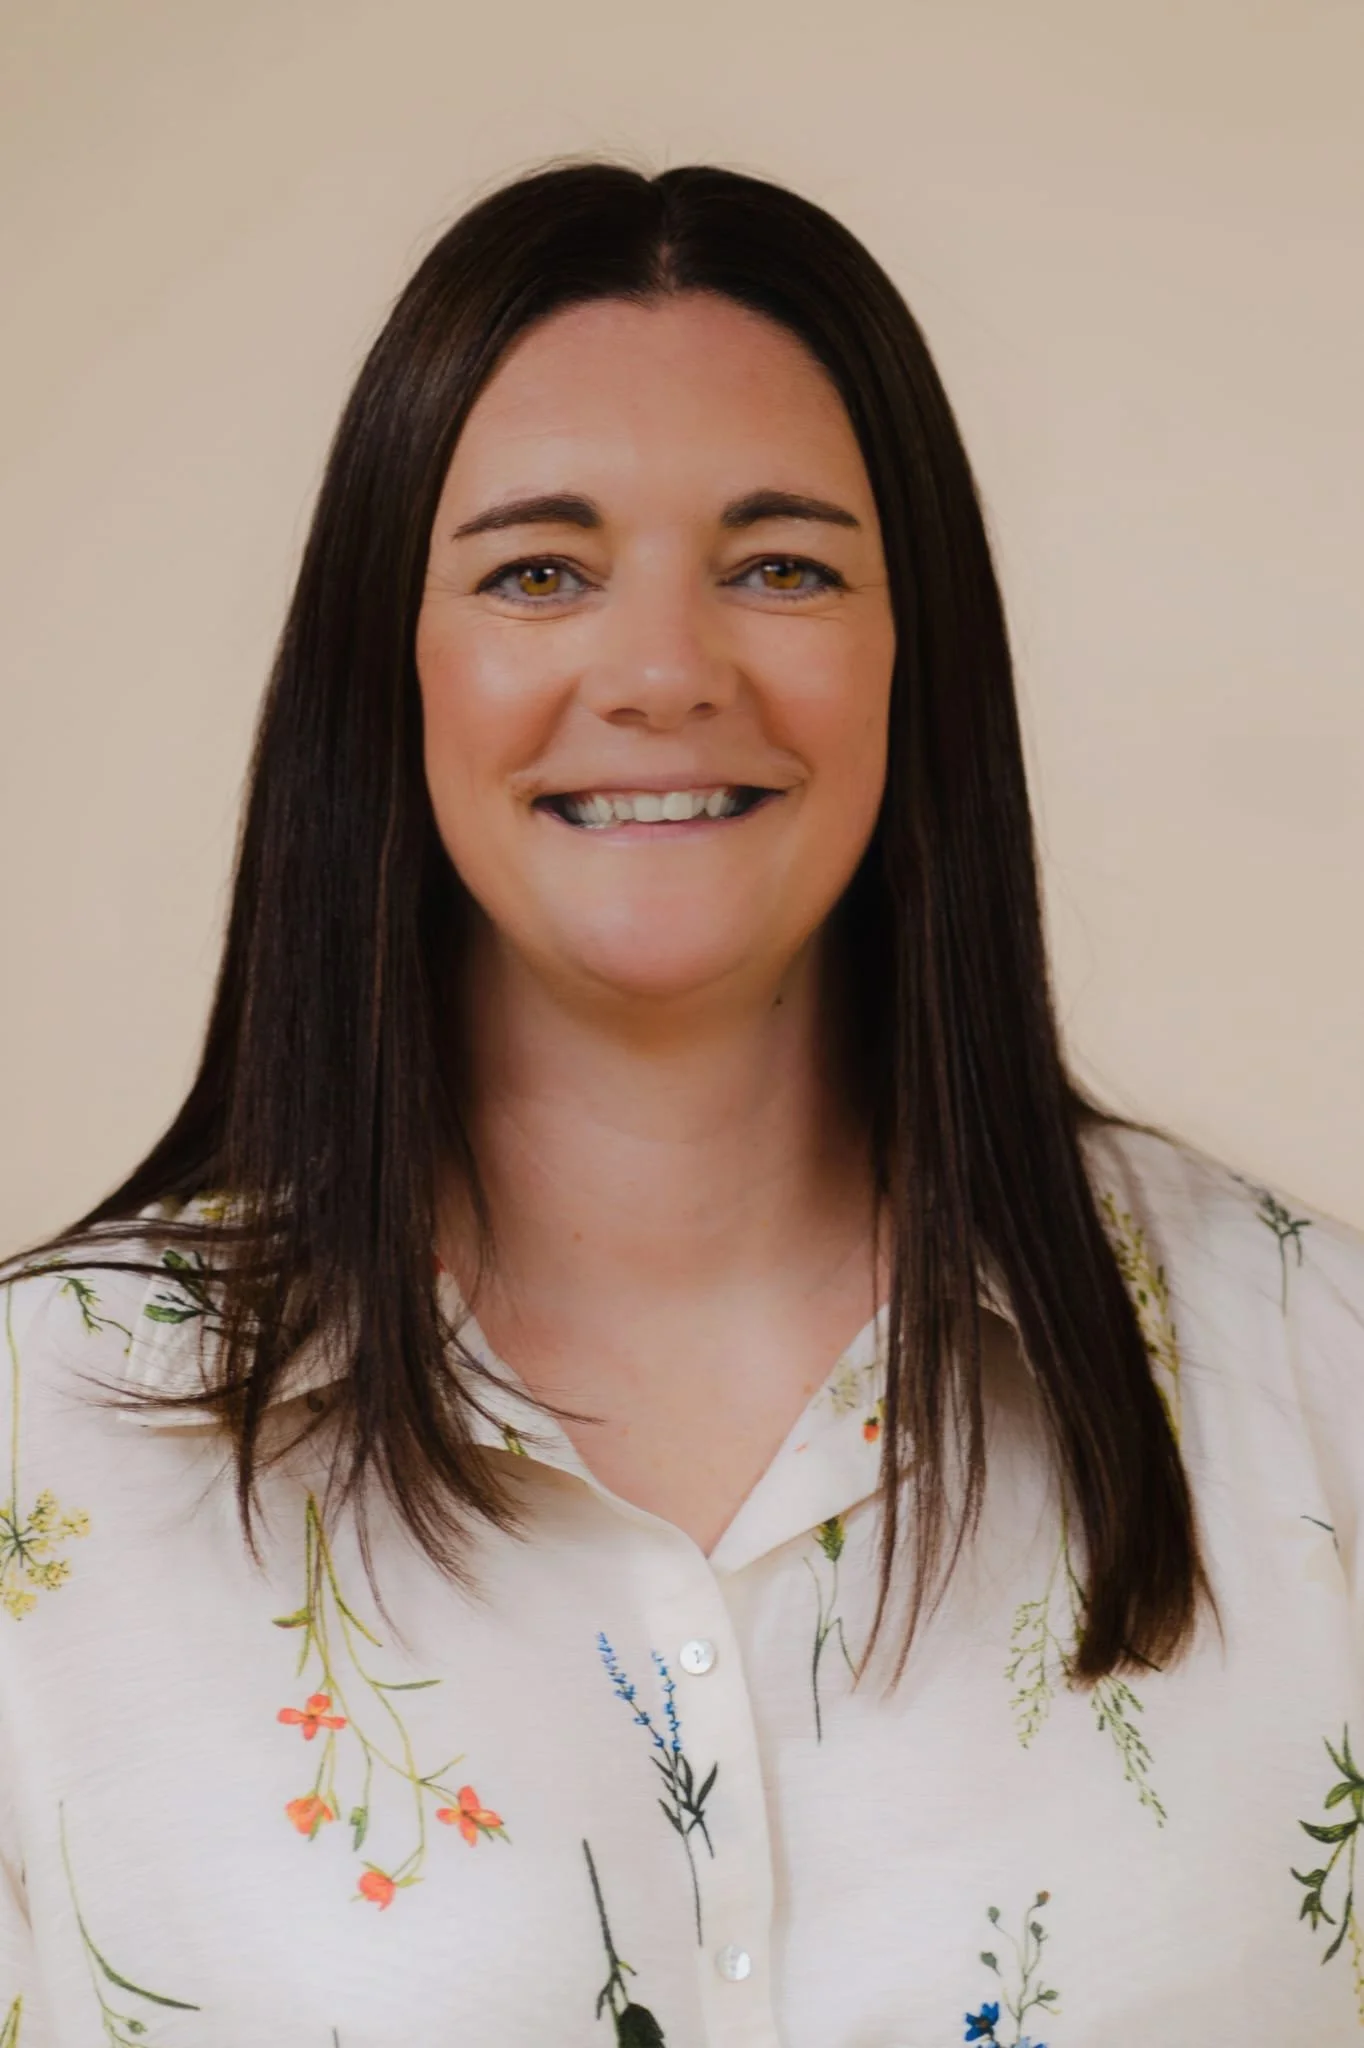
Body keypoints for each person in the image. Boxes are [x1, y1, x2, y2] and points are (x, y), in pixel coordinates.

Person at [1, 157, 1360, 2048]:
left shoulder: (1312, 1371)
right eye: (538, 572)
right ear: (388, 668)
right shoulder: (41, 1448)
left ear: (920, 658)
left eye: (781, 564)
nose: (660, 673)